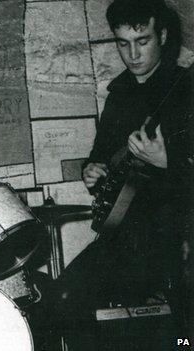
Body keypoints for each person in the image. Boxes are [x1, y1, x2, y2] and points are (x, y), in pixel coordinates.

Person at [57, 0, 192, 348]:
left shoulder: (185, 89)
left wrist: (167, 163)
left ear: (162, 35)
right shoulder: (118, 95)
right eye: (122, 43)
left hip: (173, 237)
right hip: (122, 237)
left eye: (142, 41)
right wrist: (92, 170)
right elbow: (100, 157)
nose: (132, 54)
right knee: (63, 298)